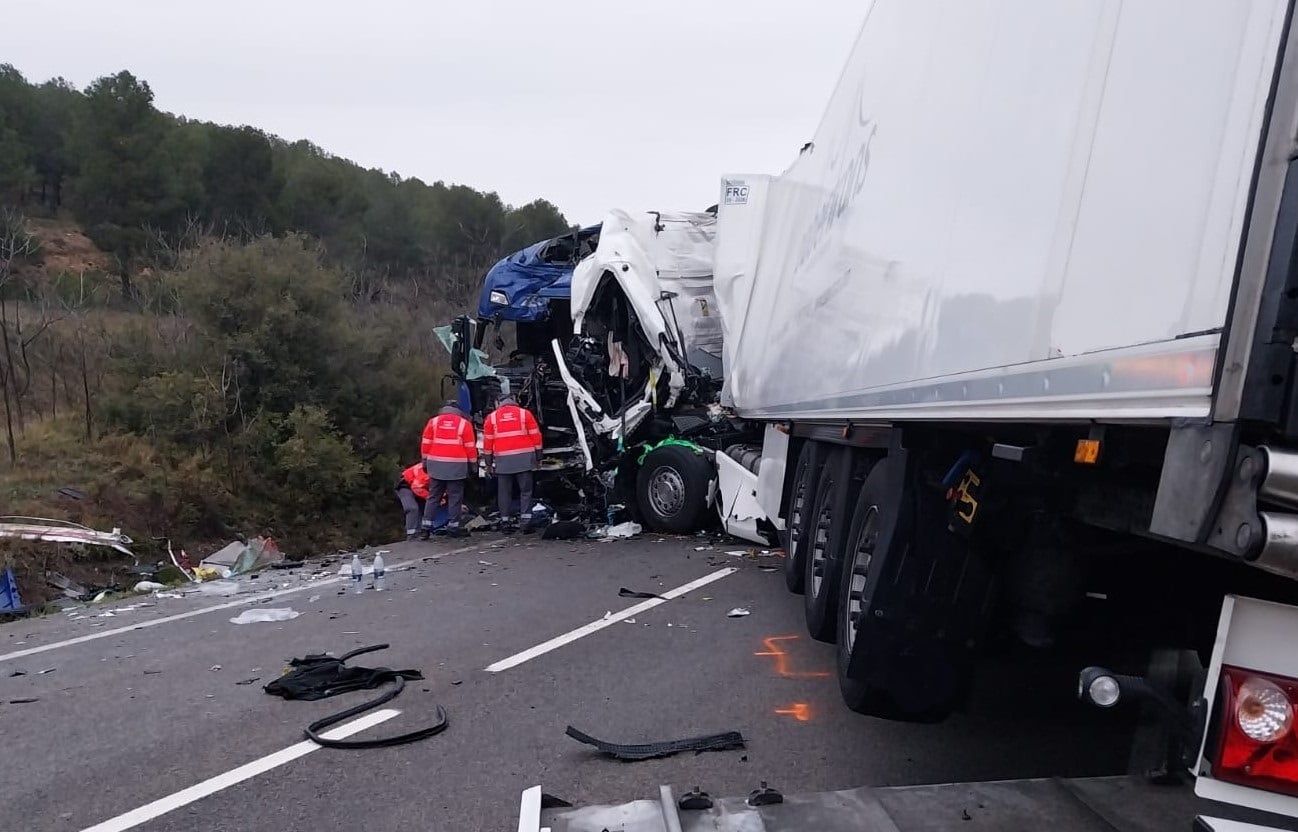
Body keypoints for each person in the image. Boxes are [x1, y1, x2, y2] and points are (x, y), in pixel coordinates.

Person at [482, 393, 543, 530]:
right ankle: (526, 521)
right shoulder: (525, 414)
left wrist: (488, 464)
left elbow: (487, 443)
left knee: (504, 491)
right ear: (514, 401)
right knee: (526, 491)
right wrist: (539, 458)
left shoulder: (491, 418)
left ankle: (505, 521)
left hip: (503, 460)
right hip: (524, 459)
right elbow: (536, 437)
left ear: (498, 402)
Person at [420, 402, 478, 538]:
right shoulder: (464, 424)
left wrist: (425, 462)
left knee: (433, 496)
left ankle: (425, 527)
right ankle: (453, 527)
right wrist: (473, 466)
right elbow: (470, 447)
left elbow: (425, 444)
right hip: (456, 466)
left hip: (436, 464)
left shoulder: (433, 422)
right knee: (455, 497)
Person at [395, 462, 430, 541]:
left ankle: (421, 531)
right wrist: (431, 497)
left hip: (420, 486)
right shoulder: (426, 470)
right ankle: (412, 535)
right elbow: (417, 487)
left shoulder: (439, 471)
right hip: (405, 485)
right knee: (412, 508)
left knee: (424, 508)